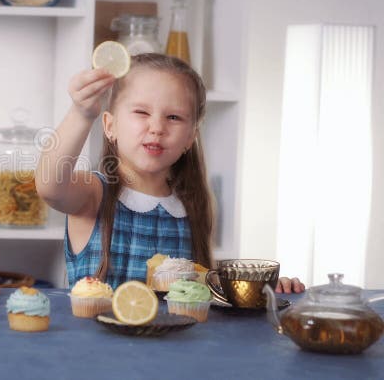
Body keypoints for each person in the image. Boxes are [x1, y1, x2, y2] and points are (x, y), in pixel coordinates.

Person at [35, 53, 304, 293]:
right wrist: (81, 113)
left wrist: (268, 289)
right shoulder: (93, 193)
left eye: (173, 117)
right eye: (141, 112)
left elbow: (204, 291)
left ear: (190, 137)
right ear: (110, 125)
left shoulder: (193, 203)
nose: (157, 127)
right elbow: (50, 186)